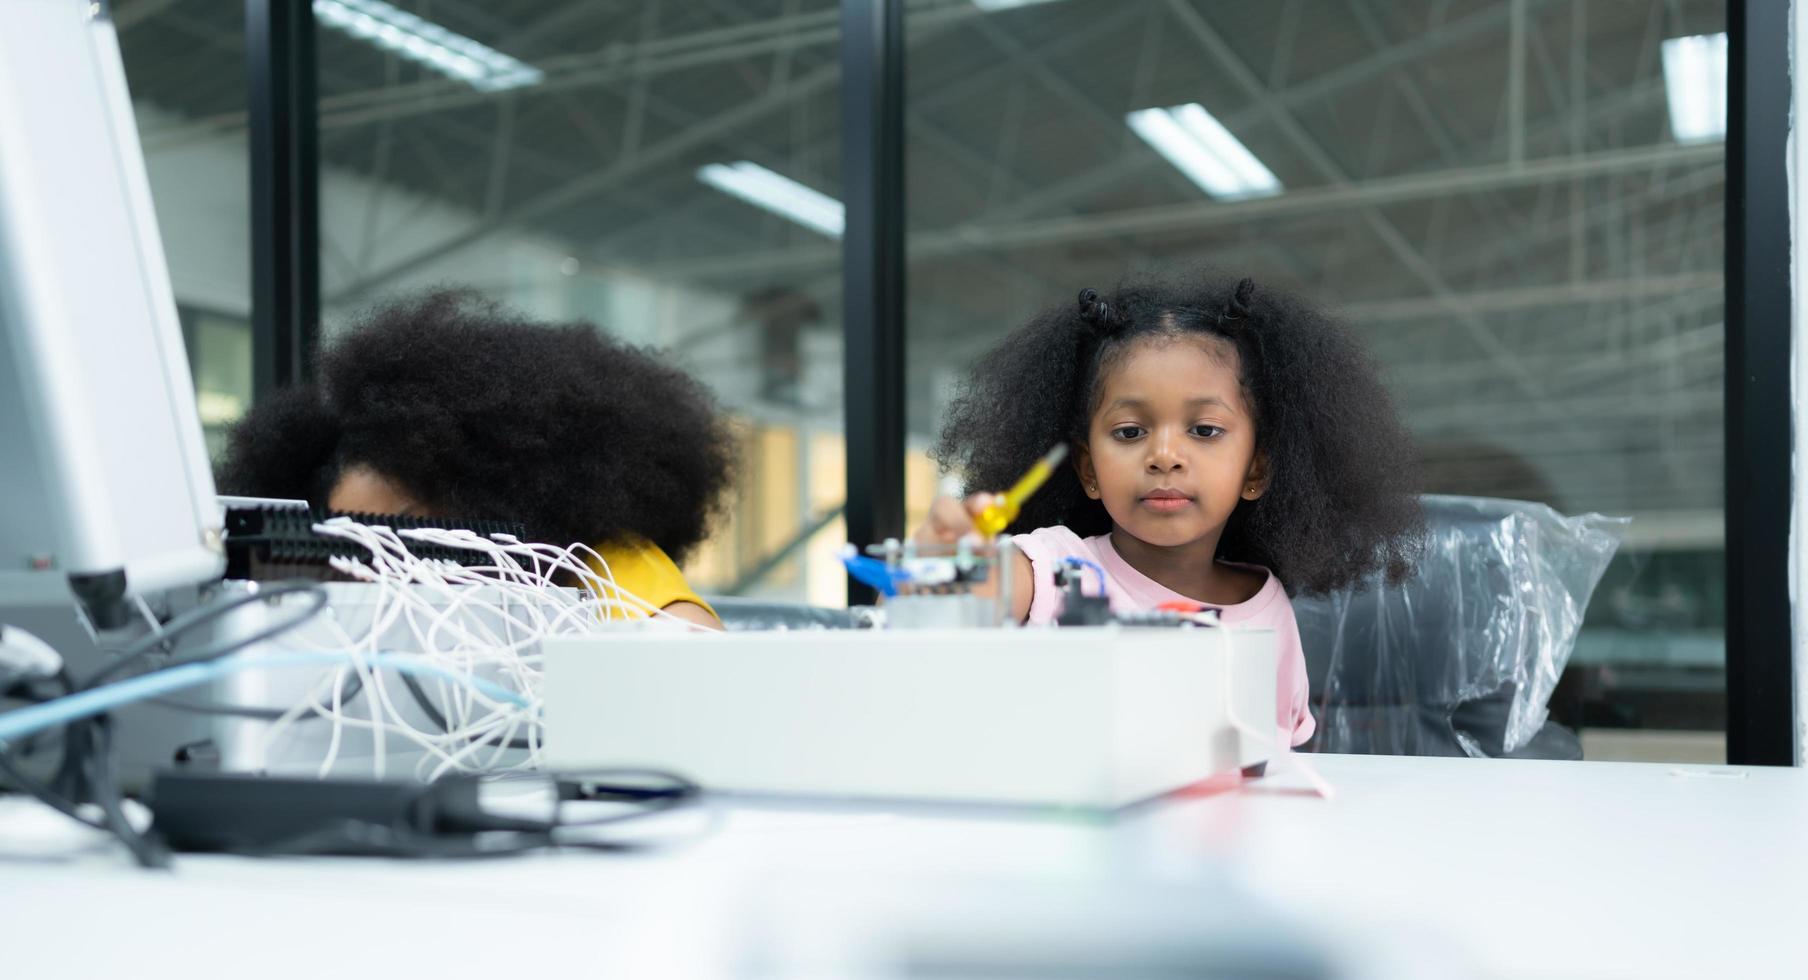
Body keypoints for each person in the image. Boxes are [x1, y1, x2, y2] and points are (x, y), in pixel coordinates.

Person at [920, 274, 1424, 744]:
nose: (1163, 455)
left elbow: (1272, 771)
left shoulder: (1267, 607)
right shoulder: (1053, 571)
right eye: (1130, 432)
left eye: (1204, 430)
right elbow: (947, 609)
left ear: (1256, 471)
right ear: (1089, 469)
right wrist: (943, 573)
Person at [217, 289, 735, 629]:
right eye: (350, 542)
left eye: (410, 540)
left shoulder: (608, 575)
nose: (380, 574)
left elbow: (693, 654)